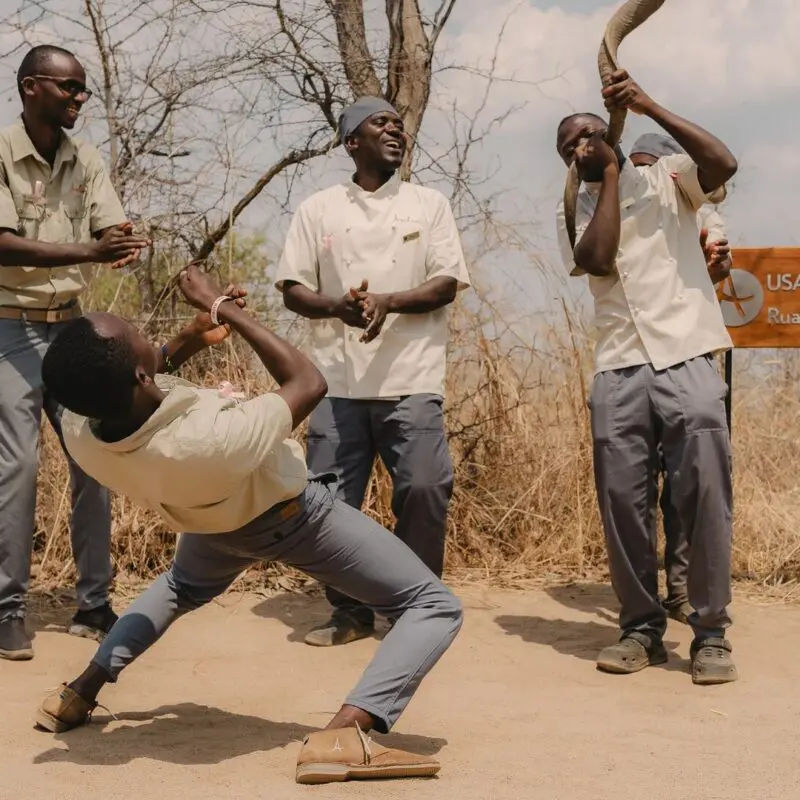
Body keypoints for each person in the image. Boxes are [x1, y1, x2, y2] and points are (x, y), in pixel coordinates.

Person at [34, 264, 463, 785]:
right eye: (138, 336)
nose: (146, 336)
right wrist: (225, 309)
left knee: (178, 586)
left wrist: (189, 338)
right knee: (432, 605)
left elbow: (130, 381)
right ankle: (346, 734)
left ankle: (79, 692)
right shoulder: (209, 441)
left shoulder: (80, 425)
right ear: (141, 376)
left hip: (207, 524)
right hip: (289, 517)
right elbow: (309, 381)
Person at [554, 67, 738, 684]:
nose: (580, 144)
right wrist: (603, 173)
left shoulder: (668, 177)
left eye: (589, 134)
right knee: (623, 503)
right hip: (618, 365)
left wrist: (647, 103)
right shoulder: (572, 208)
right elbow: (599, 258)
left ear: (610, 130)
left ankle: (710, 633)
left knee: (705, 493)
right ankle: (641, 629)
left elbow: (724, 162)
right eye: (569, 145)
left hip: (688, 355)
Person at [276, 97, 470, 647]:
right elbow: (292, 289)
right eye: (379, 123)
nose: (395, 130)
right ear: (350, 141)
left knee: (426, 489)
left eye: (398, 124)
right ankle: (350, 612)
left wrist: (386, 300)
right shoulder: (318, 210)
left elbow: (446, 283)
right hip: (335, 381)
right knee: (330, 503)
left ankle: (418, 605)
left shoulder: (428, 204)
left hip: (411, 376)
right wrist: (337, 306)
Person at [0, 45, 150, 660]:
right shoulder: (2, 154)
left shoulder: (83, 156)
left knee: (95, 454)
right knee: (19, 468)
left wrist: (122, 241)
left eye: (84, 90)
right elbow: (4, 245)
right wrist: (93, 253)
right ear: (33, 88)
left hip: (69, 326)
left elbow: (106, 228)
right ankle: (9, 608)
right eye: (70, 89)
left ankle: (95, 602)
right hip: (8, 326)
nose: (80, 99)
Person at [629, 132, 733, 625]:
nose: (644, 172)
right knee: (635, 488)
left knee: (687, 486)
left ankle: (683, 589)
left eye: (652, 164)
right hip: (629, 363)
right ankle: (644, 602)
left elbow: (712, 269)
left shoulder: (695, 206)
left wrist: (717, 267)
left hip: (687, 355)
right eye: (637, 164)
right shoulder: (620, 202)